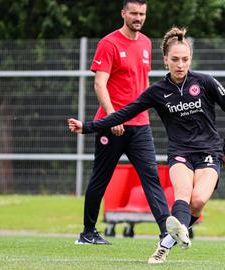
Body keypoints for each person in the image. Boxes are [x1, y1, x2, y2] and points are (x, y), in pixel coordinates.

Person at [68, 27, 225, 264]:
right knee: (182, 194)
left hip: (210, 152)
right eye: (176, 59)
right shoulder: (157, 92)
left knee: (198, 201)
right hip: (180, 154)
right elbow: (124, 113)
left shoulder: (205, 82)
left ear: (191, 59)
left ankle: (171, 239)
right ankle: (166, 246)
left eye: (185, 59)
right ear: (165, 60)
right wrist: (87, 126)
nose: (181, 65)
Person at [74, 0, 170, 248]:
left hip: (140, 125)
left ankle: (165, 233)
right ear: (123, 14)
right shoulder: (109, 43)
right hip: (111, 124)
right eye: (134, 13)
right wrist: (112, 115)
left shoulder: (147, 43)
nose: (138, 17)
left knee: (151, 178)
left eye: (142, 14)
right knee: (101, 178)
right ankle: (87, 232)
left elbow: (142, 85)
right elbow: (99, 84)